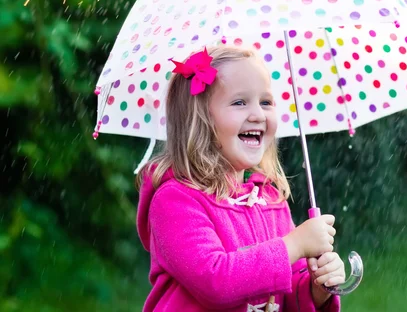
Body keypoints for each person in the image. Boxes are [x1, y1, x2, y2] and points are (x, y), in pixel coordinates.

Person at [136, 46, 345, 311]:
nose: (258, 114)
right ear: (200, 120)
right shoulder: (175, 201)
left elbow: (286, 293)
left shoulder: (270, 199)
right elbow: (216, 281)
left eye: (266, 101)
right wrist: (293, 245)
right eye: (239, 102)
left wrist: (317, 288)